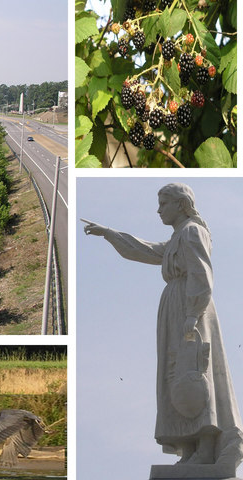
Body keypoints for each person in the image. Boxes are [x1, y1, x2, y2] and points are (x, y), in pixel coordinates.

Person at [83, 183, 243, 470]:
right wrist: (108, 234)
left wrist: (193, 314)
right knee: (176, 375)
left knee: (195, 373)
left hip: (190, 307)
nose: (158, 210)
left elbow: (201, 273)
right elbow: (145, 249)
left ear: (181, 204)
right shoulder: (177, 237)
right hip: (175, 307)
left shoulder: (193, 231)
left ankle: (207, 448)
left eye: (163, 203)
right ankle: (190, 448)